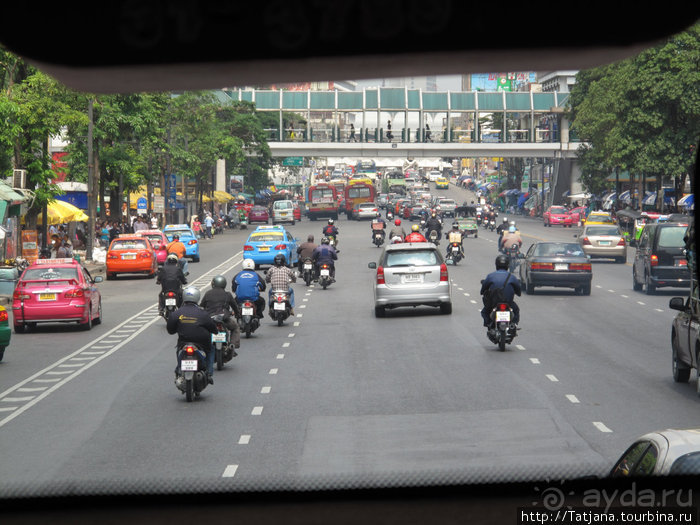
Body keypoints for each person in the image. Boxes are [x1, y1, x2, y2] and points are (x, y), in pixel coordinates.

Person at [166, 286, 218, 384]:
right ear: (197, 297)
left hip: (183, 343)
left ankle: (179, 369)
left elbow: (170, 330)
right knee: (211, 350)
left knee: (179, 351)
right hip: (202, 343)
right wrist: (215, 331)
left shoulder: (177, 313)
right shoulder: (203, 313)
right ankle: (209, 373)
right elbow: (213, 328)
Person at [200, 275, 241, 357]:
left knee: (203, 330)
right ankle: (233, 345)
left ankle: (203, 347)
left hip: (210, 319)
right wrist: (237, 314)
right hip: (224, 319)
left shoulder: (208, 293)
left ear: (213, 284)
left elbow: (202, 305)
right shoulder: (227, 294)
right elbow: (235, 306)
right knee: (235, 327)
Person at [480, 254, 522, 328]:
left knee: (484, 312)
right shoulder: (511, 277)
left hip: (494, 303)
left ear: (496, 265)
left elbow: (482, 291)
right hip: (508, 302)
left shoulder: (491, 276)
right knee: (516, 310)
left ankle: (489, 324)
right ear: (507, 266)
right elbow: (518, 292)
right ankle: (514, 325)